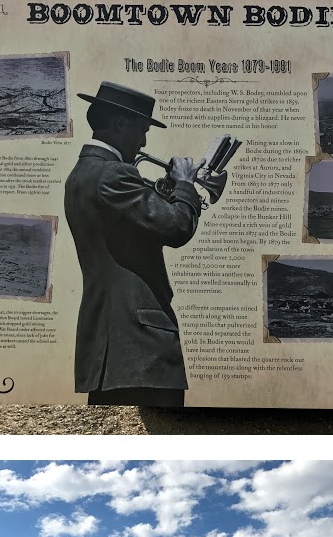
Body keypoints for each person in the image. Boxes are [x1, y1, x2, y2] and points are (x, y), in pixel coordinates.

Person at [64, 81, 225, 407]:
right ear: (121, 124)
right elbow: (177, 228)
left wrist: (165, 192)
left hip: (111, 347)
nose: (143, 141)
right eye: (141, 130)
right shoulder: (114, 174)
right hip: (139, 348)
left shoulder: (83, 174)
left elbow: (132, 227)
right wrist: (184, 184)